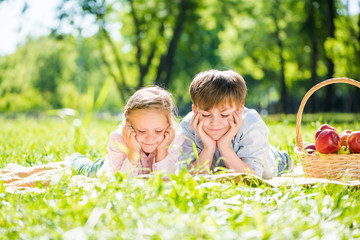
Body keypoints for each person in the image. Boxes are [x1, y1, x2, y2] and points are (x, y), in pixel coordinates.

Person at [178, 69, 293, 179]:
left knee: (274, 158)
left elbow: (251, 178)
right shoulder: (189, 126)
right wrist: (208, 148)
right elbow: (189, 178)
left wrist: (224, 147)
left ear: (239, 110)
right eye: (206, 115)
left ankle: (284, 158)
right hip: (219, 168)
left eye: (225, 115)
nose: (215, 123)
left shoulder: (251, 124)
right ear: (195, 110)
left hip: (269, 164)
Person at [68, 86, 184, 178]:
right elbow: (122, 181)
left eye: (158, 131)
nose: (150, 138)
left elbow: (166, 181)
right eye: (142, 131)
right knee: (88, 169)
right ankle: (75, 159)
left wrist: (162, 151)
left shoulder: (173, 139)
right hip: (109, 166)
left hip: (118, 161)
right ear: (128, 123)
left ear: (168, 126)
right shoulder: (118, 138)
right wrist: (133, 152)